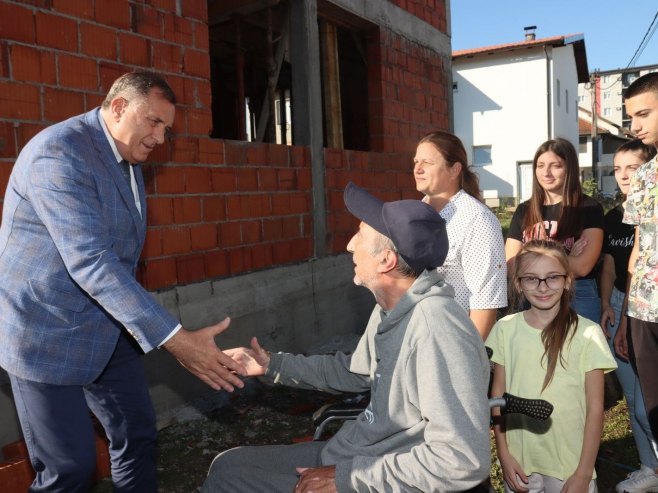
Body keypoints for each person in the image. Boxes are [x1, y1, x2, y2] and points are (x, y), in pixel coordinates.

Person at [0, 71, 247, 492]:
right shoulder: (58, 154)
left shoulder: (128, 158)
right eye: (153, 122)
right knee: (71, 469)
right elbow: (92, 260)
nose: (159, 139)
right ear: (118, 107)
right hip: (46, 331)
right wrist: (176, 339)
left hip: (107, 325)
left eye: (166, 129)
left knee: (138, 435)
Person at [201, 182, 491, 492]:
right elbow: (354, 372)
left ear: (386, 261)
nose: (351, 245)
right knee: (225, 463)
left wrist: (347, 479)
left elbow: (462, 459)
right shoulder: (390, 309)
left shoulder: (437, 330)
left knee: (226, 481)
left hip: (380, 473)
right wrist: (272, 365)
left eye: (361, 235)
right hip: (358, 452)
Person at [488, 240, 616, 493]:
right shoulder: (505, 329)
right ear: (518, 284)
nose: (543, 287)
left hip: (570, 465)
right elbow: (498, 397)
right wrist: (504, 454)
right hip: (521, 462)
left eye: (552, 277)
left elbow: (595, 408)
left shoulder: (588, 334)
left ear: (568, 280)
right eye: (531, 279)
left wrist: (583, 472)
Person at [600, 140, 658, 493]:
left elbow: (639, 267)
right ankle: (648, 465)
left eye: (632, 168)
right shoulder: (613, 217)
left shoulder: (648, 215)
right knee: (635, 399)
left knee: (648, 400)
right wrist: (608, 303)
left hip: (643, 307)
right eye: (618, 168)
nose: (623, 176)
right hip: (620, 304)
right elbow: (610, 265)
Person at [413, 130, 507, 339]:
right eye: (416, 162)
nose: (417, 169)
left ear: (454, 169)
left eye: (427, 162)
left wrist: (467, 359)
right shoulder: (415, 215)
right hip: (418, 338)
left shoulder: (477, 220)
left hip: (454, 342)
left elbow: (486, 301)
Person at [505, 138, 604, 323]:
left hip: (577, 293)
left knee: (578, 351)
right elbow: (511, 265)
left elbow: (583, 267)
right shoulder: (524, 210)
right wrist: (563, 256)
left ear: (569, 168)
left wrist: (530, 254)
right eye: (540, 165)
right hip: (531, 293)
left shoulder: (589, 208)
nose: (546, 173)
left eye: (555, 166)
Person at [616, 71, 658, 452]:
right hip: (645, 310)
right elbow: (638, 249)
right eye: (631, 117)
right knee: (655, 407)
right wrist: (629, 311)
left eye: (643, 114)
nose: (635, 126)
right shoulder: (644, 176)